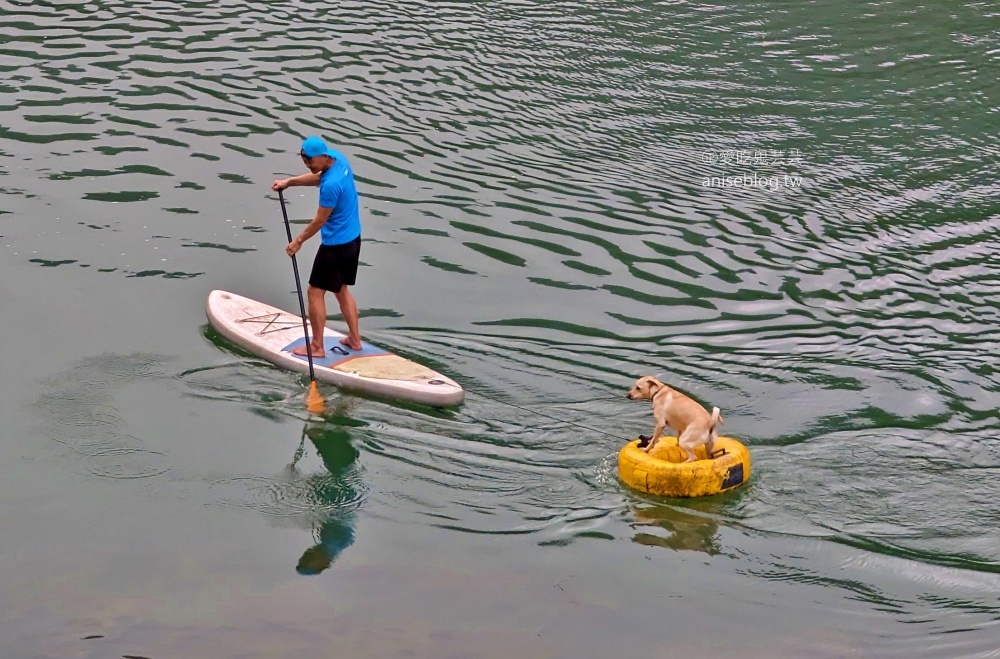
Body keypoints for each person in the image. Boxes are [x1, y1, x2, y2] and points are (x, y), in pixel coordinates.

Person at [272, 136, 363, 357]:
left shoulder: (331, 186)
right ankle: (355, 340)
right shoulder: (339, 160)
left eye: (311, 162)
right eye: (305, 161)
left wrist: (298, 241)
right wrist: (290, 182)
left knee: (314, 292)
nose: (308, 166)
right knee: (341, 290)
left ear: (323, 157)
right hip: (353, 239)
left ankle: (317, 347)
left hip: (336, 246)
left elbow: (320, 220)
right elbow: (318, 177)